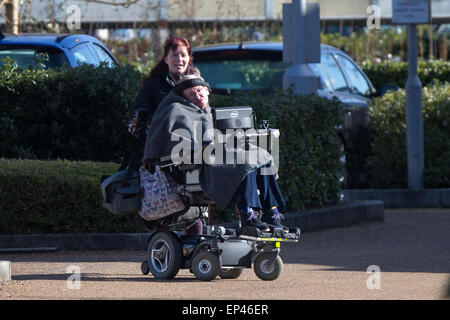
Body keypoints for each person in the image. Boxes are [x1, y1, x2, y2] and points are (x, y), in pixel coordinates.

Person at [143, 75, 287, 231]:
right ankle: (247, 214)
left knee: (261, 156)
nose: (197, 96)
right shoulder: (176, 110)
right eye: (191, 94)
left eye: (199, 91)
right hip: (196, 165)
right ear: (183, 97)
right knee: (245, 162)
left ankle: (272, 212)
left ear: (207, 90)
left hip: (217, 156)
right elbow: (180, 146)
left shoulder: (208, 111)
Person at [128, 37, 203, 235]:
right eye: (174, 55)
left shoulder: (196, 81)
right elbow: (138, 110)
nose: (179, 59)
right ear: (166, 59)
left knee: (196, 194)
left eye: (183, 55)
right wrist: (135, 121)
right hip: (162, 150)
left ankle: (198, 242)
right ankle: (165, 244)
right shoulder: (154, 84)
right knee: (168, 197)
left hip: (192, 147)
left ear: (189, 58)